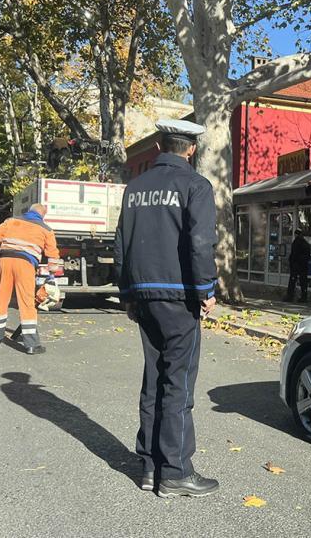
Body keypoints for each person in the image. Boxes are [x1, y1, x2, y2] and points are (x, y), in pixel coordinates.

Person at [115, 119, 219, 498]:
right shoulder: (195, 185)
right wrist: (206, 289)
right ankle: (175, 472)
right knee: (178, 383)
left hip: (143, 294)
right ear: (191, 148)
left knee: (153, 379)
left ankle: (149, 466)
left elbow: (122, 243)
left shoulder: (135, 187)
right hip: (180, 297)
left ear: (159, 146)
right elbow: (200, 243)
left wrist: (127, 294)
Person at [0, 203, 63, 355]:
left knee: (2, 298)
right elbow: (53, 255)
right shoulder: (46, 229)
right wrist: (51, 276)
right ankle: (31, 345)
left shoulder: (11, 221)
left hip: (5, 260)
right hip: (25, 263)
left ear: (28, 211)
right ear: (42, 215)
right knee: (26, 302)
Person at [285, 229, 311, 302]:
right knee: (303, 282)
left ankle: (290, 296)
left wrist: (292, 263)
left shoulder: (296, 242)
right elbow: (308, 256)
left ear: (296, 234)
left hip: (296, 265)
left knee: (292, 281)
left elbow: (294, 254)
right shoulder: (305, 243)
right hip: (303, 266)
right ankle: (304, 297)